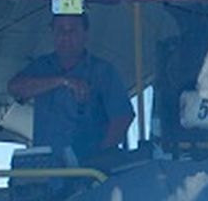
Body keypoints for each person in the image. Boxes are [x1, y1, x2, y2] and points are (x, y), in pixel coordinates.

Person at [8, 9, 134, 163]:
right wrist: (62, 81)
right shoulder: (41, 66)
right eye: (60, 30)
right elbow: (15, 88)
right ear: (52, 34)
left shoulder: (104, 72)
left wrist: (100, 158)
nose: (65, 36)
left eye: (72, 30)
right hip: (47, 172)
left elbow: (122, 118)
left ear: (85, 34)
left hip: (90, 174)